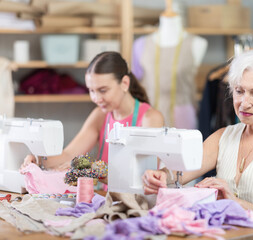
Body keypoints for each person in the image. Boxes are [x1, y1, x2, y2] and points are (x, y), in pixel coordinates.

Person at [143, 48, 253, 219]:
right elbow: (182, 171)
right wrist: (162, 176)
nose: (244, 103)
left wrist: (236, 204)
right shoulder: (223, 136)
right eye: (239, 91)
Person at [21, 51, 164, 172]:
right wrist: (39, 160)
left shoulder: (150, 119)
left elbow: (144, 171)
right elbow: (69, 154)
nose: (96, 98)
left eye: (103, 90)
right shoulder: (101, 115)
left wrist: (91, 168)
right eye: (91, 91)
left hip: (135, 200)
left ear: (125, 83)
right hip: (103, 197)